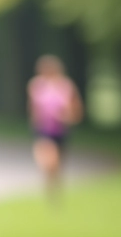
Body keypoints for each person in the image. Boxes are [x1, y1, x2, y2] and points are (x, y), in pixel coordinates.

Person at [28, 54, 83, 204]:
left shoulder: (66, 86)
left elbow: (76, 110)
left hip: (61, 130)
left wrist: (66, 116)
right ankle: (50, 191)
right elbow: (33, 109)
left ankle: (54, 193)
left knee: (57, 166)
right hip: (43, 130)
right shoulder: (36, 85)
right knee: (48, 161)